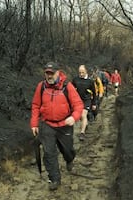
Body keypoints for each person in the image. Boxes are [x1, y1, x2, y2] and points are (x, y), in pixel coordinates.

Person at [30, 62, 84, 191]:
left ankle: (69, 159)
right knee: (49, 153)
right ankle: (54, 178)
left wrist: (74, 117)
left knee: (68, 150)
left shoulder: (67, 87)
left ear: (58, 72)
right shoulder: (41, 86)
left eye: (52, 73)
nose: (49, 76)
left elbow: (78, 105)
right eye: (47, 73)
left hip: (64, 124)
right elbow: (36, 105)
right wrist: (34, 123)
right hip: (47, 124)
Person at [72, 65, 97, 141]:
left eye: (83, 72)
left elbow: (94, 93)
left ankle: (82, 133)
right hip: (77, 101)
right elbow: (70, 90)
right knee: (80, 117)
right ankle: (85, 124)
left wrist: (94, 103)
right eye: (80, 72)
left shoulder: (90, 81)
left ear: (86, 71)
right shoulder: (75, 80)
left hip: (86, 100)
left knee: (83, 115)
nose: (81, 74)